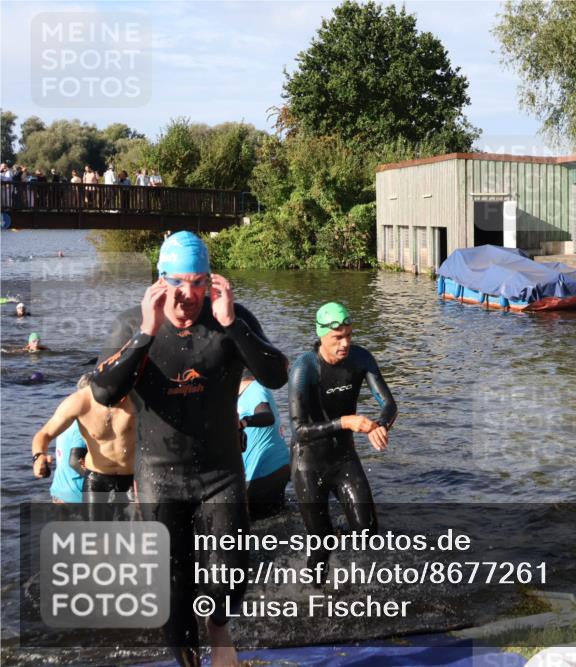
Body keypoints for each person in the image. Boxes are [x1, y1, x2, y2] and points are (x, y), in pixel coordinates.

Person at [90, 230, 287, 667]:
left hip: (221, 471)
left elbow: (277, 375)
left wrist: (233, 324)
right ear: (159, 280)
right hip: (160, 475)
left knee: (232, 574)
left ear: (212, 281)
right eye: (179, 282)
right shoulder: (132, 323)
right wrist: (145, 332)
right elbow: (103, 392)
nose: (188, 294)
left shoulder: (231, 319)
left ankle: (218, 626)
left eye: (199, 282)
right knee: (174, 588)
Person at [288, 302, 397, 572]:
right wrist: (345, 422)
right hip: (308, 463)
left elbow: (389, 404)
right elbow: (299, 430)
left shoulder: (361, 359)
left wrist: (381, 424)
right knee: (320, 547)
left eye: (349, 335)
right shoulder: (305, 368)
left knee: (368, 532)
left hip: (344, 458)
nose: (345, 343)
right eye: (338, 338)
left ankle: (334, 538)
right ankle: (314, 593)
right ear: (321, 335)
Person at [32, 374, 135, 517]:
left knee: (136, 536)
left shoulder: (137, 399)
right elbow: (44, 434)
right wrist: (38, 456)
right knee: (94, 537)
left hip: (130, 478)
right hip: (96, 480)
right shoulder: (79, 402)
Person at [238, 369, 290, 520]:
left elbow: (267, 416)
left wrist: (243, 422)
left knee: (258, 527)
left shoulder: (255, 388)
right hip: (265, 470)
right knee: (276, 520)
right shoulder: (238, 397)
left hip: (266, 470)